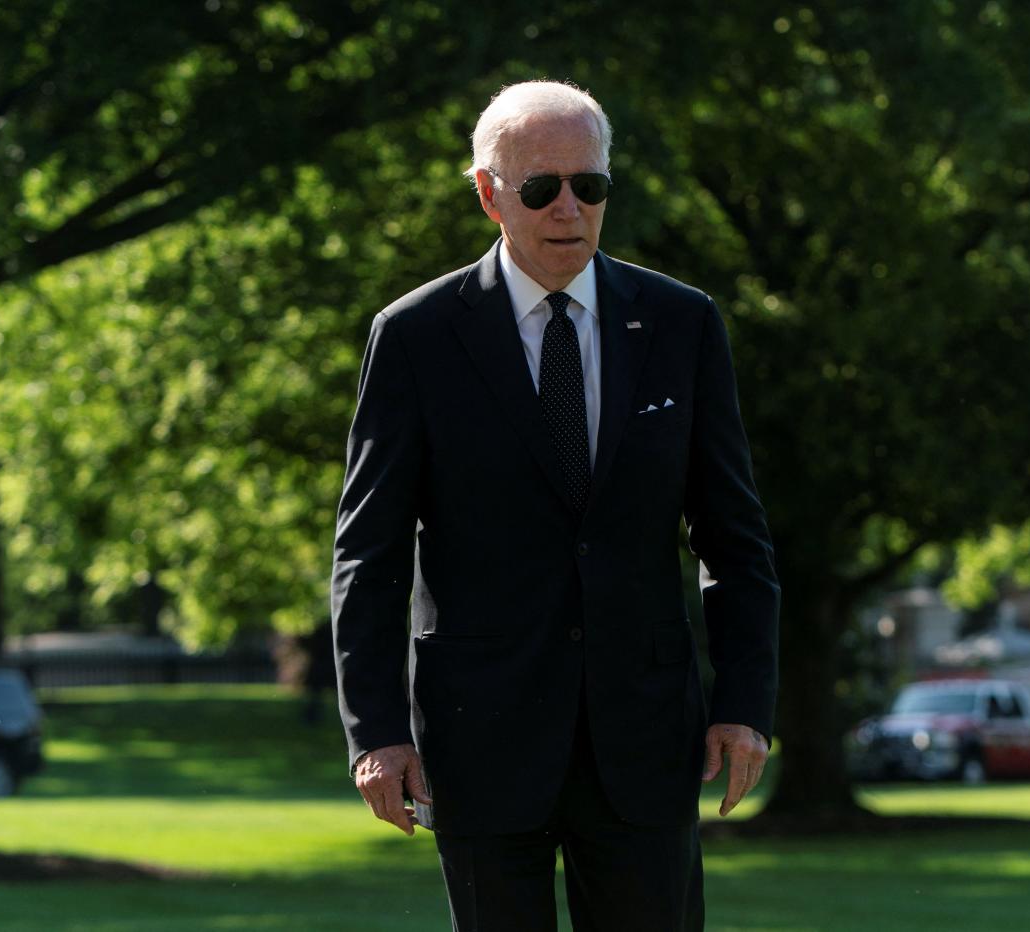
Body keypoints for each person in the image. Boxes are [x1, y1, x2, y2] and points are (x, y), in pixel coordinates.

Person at [331, 80, 779, 932]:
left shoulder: (682, 324)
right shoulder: (417, 336)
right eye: (542, 187)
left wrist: (745, 703)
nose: (569, 206)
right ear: (489, 193)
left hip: (645, 737)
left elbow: (733, 534)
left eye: (590, 185)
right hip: (478, 737)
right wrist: (377, 733)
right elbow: (369, 552)